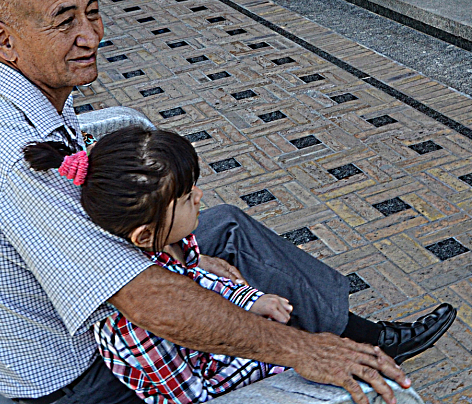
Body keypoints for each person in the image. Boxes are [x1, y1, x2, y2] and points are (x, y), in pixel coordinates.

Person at [0, 0, 455, 404]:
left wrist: (199, 263)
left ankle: (354, 332)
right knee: (297, 364)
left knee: (219, 227)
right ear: (3, 39)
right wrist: (297, 351)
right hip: (74, 378)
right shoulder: (7, 155)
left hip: (76, 325)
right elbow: (144, 299)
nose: (90, 36)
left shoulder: (26, 102)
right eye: (64, 22)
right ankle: (346, 345)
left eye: (93, 13)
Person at [25, 126, 296, 402]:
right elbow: (194, 397)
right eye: (186, 197)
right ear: (144, 234)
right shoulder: (134, 327)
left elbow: (204, 284)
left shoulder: (171, 245)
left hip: (226, 355)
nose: (199, 195)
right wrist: (269, 357)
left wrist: (250, 301)